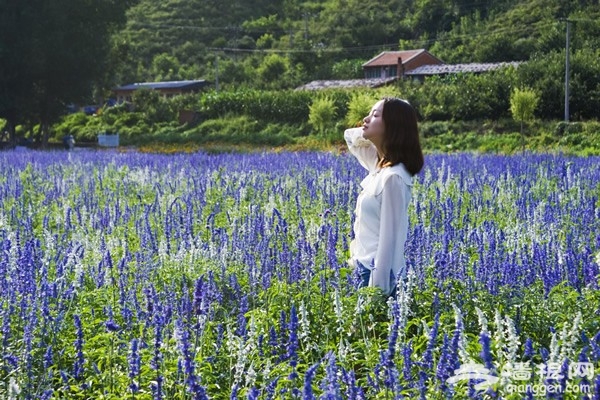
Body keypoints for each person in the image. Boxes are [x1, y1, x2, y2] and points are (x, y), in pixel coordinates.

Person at [344, 98, 424, 297]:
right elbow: (350, 137)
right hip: (362, 269)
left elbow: (389, 242)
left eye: (375, 115)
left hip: (377, 278)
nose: (366, 118)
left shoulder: (393, 178)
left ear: (393, 127)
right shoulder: (378, 167)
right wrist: (372, 130)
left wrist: (376, 293)